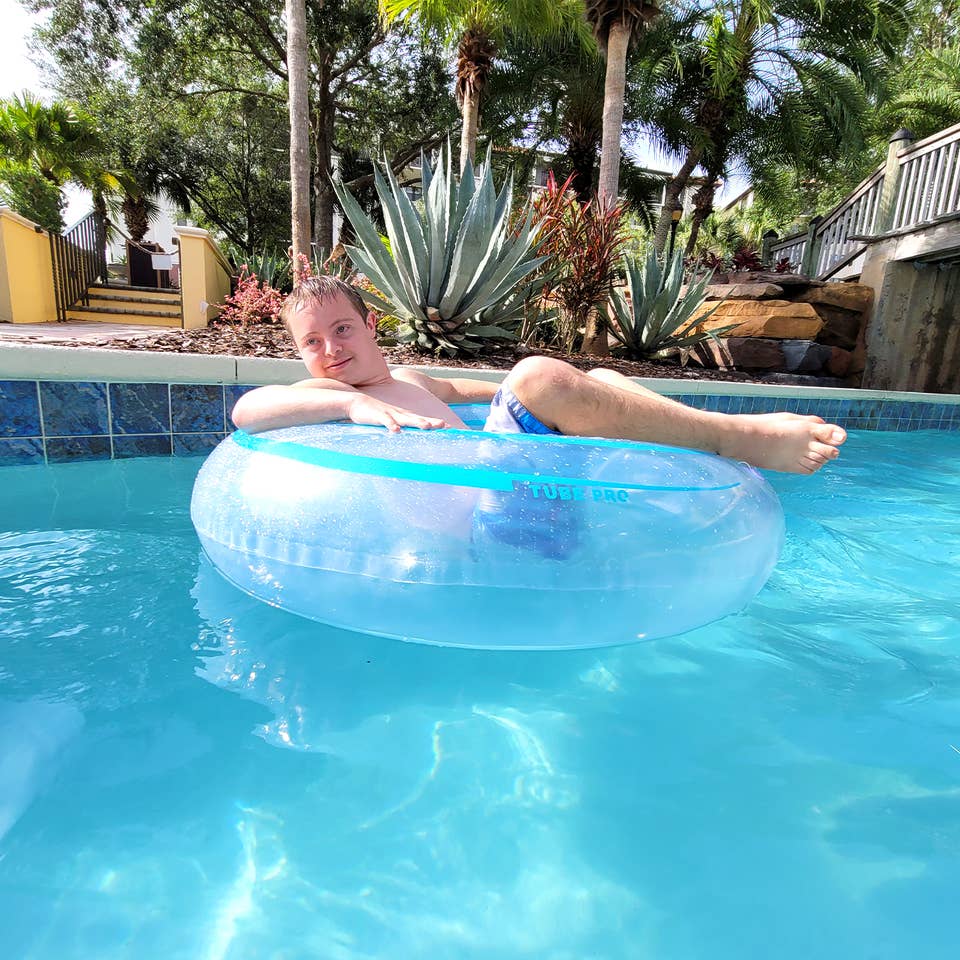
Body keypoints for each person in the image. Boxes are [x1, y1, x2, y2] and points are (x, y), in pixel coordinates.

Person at [232, 276, 846, 474]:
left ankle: (699, 442)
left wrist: (587, 390)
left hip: (525, 492)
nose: (330, 348)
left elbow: (506, 396)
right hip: (489, 518)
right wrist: (349, 408)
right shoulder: (328, 391)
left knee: (597, 375)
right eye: (310, 341)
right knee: (536, 374)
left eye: (341, 328)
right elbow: (247, 409)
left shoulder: (417, 380)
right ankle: (734, 436)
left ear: (370, 326)